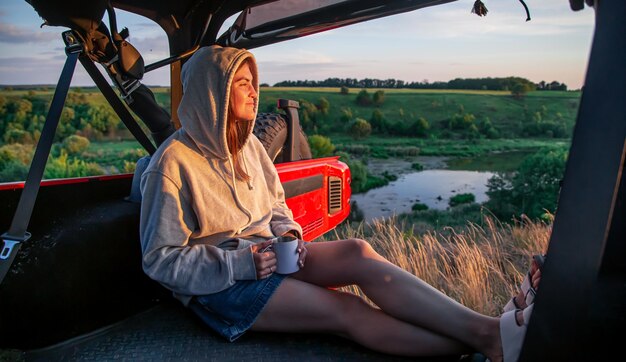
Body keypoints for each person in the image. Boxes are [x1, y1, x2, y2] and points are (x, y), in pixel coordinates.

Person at [139, 45, 540, 362]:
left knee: (357, 251)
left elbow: (277, 206)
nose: (253, 90)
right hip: (223, 285)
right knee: (344, 310)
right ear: (213, 93)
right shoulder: (173, 164)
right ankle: (492, 340)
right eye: (240, 83)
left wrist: (289, 234)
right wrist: (239, 264)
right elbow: (160, 260)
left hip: (268, 257)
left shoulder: (249, 147)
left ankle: (489, 330)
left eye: (252, 81)